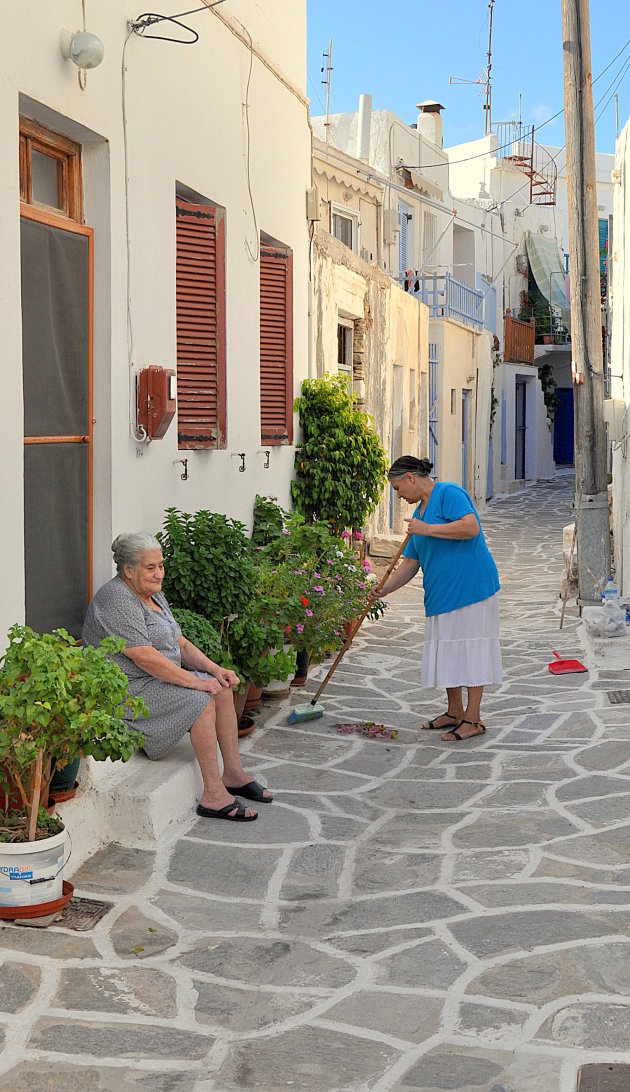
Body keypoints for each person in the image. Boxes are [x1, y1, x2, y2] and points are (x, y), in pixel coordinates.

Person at [82, 532, 272, 821]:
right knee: (202, 700)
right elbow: (144, 656)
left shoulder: (153, 595)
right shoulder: (117, 598)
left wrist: (213, 670)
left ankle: (232, 773)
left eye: (160, 565)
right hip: (127, 689)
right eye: (151, 567)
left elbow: (179, 643)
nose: (159, 573)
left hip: (152, 681)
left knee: (220, 688)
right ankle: (213, 794)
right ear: (128, 570)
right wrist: (196, 682)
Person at [371, 456, 501, 742]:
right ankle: (454, 711)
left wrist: (427, 529)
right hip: (442, 593)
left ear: (410, 478)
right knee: (449, 651)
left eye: (397, 488)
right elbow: (411, 563)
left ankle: (473, 718)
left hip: (472, 588)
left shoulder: (448, 493)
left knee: (471, 649)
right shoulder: (419, 514)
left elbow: (471, 527)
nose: (398, 495)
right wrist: (386, 589)